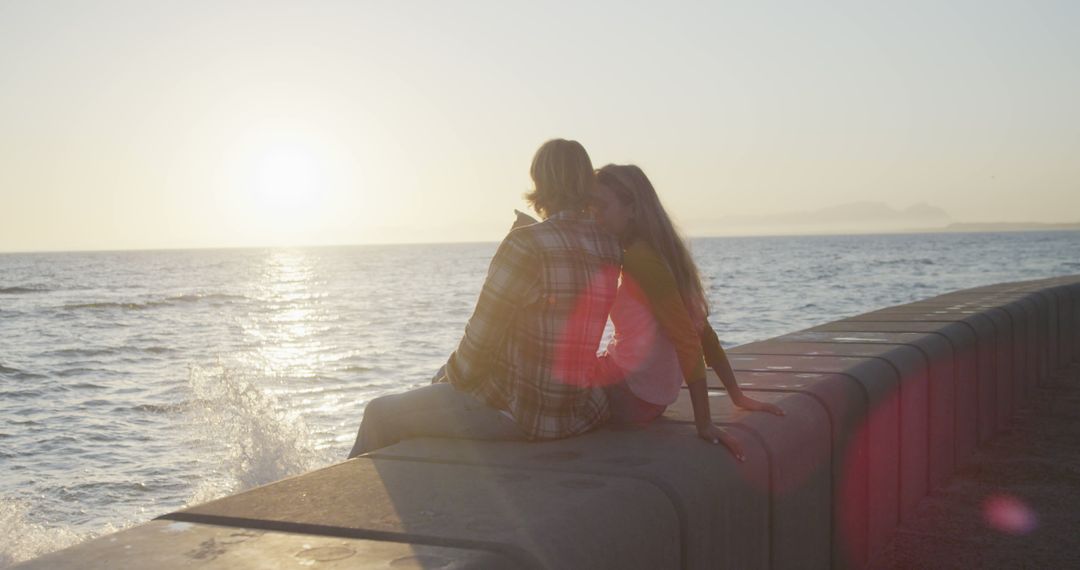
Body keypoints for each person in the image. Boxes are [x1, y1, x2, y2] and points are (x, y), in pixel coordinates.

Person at [348, 139, 622, 458]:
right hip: (575, 411)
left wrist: (445, 381)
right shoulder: (609, 247)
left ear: (541, 183)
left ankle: (334, 507)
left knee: (379, 414)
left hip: (520, 413)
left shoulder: (526, 244)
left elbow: (479, 342)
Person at [591, 164, 784, 461]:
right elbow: (702, 331)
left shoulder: (639, 261)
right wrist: (735, 394)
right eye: (591, 207)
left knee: (541, 380)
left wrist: (704, 423)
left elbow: (687, 339)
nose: (596, 216)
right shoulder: (663, 256)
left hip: (627, 394)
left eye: (602, 206)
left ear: (632, 209)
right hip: (650, 400)